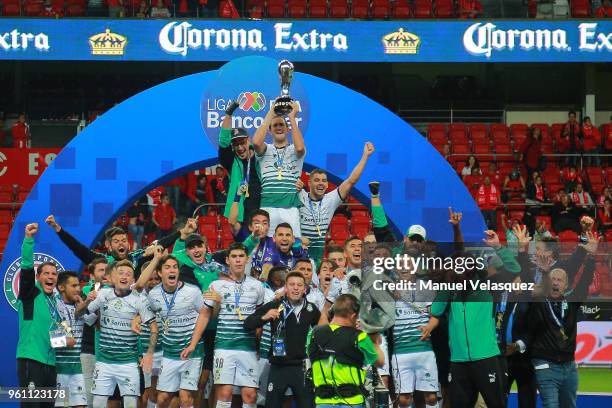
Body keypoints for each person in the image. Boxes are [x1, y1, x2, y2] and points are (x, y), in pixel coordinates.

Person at [420, 229, 520, 408]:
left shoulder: (488, 287)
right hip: (458, 362)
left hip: (486, 358)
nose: (459, 272)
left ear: (472, 269)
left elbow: (514, 269)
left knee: (496, 404)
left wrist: (498, 247)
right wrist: (447, 285)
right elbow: (436, 309)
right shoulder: (452, 292)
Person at [181, 243, 265, 408]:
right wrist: (192, 344)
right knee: (224, 394)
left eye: (241, 256)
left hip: (248, 347)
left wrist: (258, 343)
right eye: (234, 257)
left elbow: (259, 317)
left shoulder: (257, 286)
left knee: (250, 395)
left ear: (247, 259)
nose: (238, 260)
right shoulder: (217, 285)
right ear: (227, 260)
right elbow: (205, 314)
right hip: (224, 347)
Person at [527, 240, 596, 408]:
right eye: (553, 279)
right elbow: (538, 293)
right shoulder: (539, 303)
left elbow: (585, 282)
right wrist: (544, 274)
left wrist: (592, 257)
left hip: (569, 367)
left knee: (569, 406)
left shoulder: (571, 303)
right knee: (551, 405)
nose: (556, 282)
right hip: (545, 365)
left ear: (565, 285)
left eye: (560, 280)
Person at [84, 260, 158, 408]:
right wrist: (89, 304)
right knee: (98, 404)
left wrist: (149, 353)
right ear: (113, 277)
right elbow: (87, 318)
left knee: (131, 404)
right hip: (104, 362)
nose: (124, 276)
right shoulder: (103, 294)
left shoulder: (139, 300)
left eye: (128, 274)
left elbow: (154, 328)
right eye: (121, 273)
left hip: (128, 364)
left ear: (133, 280)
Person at [244, 271, 321, 408]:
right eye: (292, 284)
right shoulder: (275, 305)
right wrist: (264, 317)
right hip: (278, 367)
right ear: (286, 288)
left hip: (302, 368)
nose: (295, 288)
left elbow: (325, 331)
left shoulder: (311, 309)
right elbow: (248, 324)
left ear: (305, 289)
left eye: (299, 285)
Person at [144, 254, 207, 408]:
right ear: (159, 273)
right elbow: (150, 320)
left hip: (191, 352)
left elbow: (205, 315)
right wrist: (150, 353)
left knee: (185, 397)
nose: (172, 270)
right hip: (169, 353)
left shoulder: (193, 292)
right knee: (162, 399)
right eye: (167, 267)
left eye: (174, 267)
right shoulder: (153, 295)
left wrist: (193, 344)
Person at [298, 142, 375, 263]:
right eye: (316, 180)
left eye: (324, 181)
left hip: (317, 259)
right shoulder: (300, 195)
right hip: (298, 255)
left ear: (327, 184)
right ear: (309, 183)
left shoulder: (331, 199)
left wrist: (365, 156)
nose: (320, 183)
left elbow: (351, 180)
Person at [307, 294, 385, 407]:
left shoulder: (313, 333)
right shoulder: (360, 337)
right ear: (353, 316)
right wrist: (374, 338)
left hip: (322, 402)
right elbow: (380, 362)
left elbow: (311, 355)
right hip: (352, 402)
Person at [16, 223, 59, 407]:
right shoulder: (30, 294)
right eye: (46, 273)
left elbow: (55, 337)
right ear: (38, 277)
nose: (51, 276)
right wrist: (28, 239)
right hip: (31, 359)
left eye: (54, 274)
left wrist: (66, 340)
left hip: (50, 364)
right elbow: (26, 267)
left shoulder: (56, 303)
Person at [45, 214, 180, 270]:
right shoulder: (101, 260)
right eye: (116, 241)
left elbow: (160, 245)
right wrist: (58, 229)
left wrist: (181, 232)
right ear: (108, 245)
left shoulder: (136, 257)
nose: (121, 243)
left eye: (124, 240)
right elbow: (77, 247)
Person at [253, 100, 305, 236]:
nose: (278, 127)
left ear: (287, 129)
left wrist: (292, 117)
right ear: (269, 131)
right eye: (274, 125)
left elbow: (300, 148)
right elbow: (256, 142)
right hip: (267, 206)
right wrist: (271, 112)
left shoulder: (294, 150)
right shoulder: (266, 149)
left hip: (291, 207)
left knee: (294, 246)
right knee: (266, 246)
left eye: (281, 124)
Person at [391, 265, 439, 408]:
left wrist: (429, 327)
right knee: (403, 400)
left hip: (424, 350)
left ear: (415, 268)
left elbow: (435, 316)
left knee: (430, 397)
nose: (404, 268)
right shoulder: (388, 289)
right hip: (400, 352)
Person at [218, 101, 262, 238]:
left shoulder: (261, 157)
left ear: (248, 140)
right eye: (236, 144)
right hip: (241, 217)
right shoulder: (231, 161)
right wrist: (228, 114)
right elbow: (223, 141)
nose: (240, 147)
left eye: (242, 142)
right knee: (244, 250)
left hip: (263, 213)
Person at [55, 271, 88, 408]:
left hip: (76, 368)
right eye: (74, 286)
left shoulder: (79, 305)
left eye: (78, 286)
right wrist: (67, 340)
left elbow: (94, 323)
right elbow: (52, 341)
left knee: (80, 406)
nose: (78, 289)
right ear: (61, 287)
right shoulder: (54, 306)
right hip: (58, 368)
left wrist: (88, 304)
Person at [80, 258, 108, 407]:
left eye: (107, 269)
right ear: (91, 275)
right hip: (89, 349)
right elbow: (87, 320)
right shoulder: (86, 292)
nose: (105, 273)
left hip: (111, 352)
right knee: (89, 394)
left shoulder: (119, 291)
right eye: (101, 270)